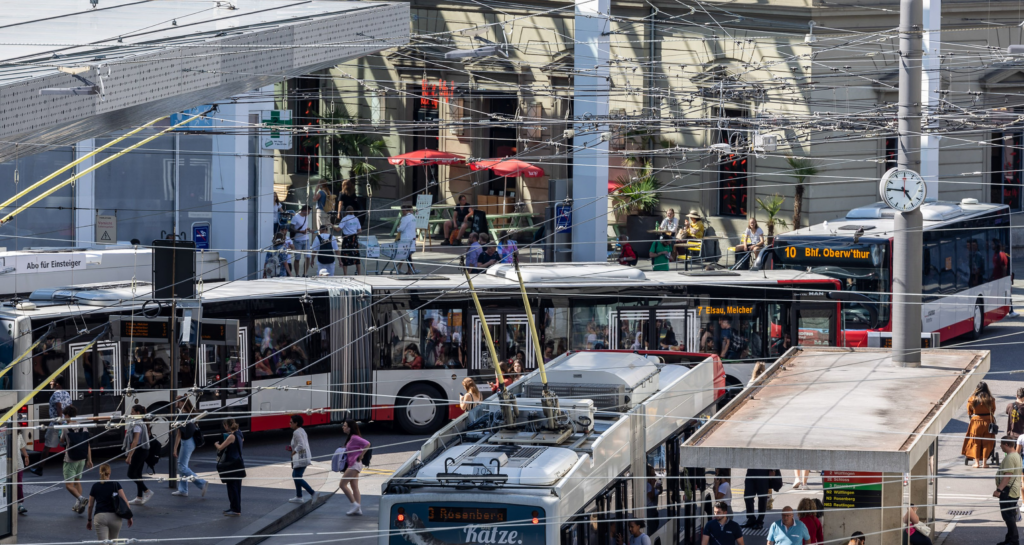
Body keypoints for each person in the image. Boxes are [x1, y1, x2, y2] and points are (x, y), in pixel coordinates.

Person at [31, 376, 70, 476]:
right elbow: (69, 408)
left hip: (56, 424)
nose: (50, 383)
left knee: (47, 447)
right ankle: (71, 468)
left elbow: (59, 408)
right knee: (68, 446)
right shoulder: (67, 393)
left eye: (52, 382)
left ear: (57, 384)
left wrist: (60, 423)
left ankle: (40, 469)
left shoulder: (56, 394)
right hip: (67, 423)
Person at [171, 398, 208, 498]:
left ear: (182, 403)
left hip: (187, 442)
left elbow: (179, 434)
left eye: (177, 401)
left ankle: (201, 483)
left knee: (181, 466)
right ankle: (183, 490)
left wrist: (175, 449)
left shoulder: (183, 415)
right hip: (190, 441)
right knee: (183, 466)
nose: (175, 403)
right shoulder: (189, 413)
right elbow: (181, 432)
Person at [86, 463, 133, 540]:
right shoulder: (116, 484)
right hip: (115, 517)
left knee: (103, 543)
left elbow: (90, 506)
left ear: (100, 472)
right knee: (114, 540)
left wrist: (89, 520)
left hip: (100, 516)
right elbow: (125, 502)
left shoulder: (95, 486)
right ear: (110, 472)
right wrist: (129, 516)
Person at [61, 405, 93, 513]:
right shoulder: (83, 427)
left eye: (64, 415)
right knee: (77, 481)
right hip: (82, 458)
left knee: (68, 485)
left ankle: (81, 499)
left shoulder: (66, 428)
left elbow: (62, 441)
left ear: (67, 415)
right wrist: (89, 460)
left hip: (70, 459)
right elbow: (87, 444)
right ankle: (78, 504)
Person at [338, 419, 370, 516]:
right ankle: (358, 508)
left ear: (350, 428)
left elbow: (367, 443)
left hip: (354, 464)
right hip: (355, 464)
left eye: (344, 425)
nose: (343, 427)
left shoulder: (355, 437)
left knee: (342, 485)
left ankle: (354, 504)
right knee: (354, 486)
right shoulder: (351, 437)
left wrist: (362, 455)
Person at [995, 437, 1023, 545]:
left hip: (1008, 491)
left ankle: (1013, 540)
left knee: (1009, 517)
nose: (1000, 446)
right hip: (1013, 490)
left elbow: (1008, 475)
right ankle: (1010, 538)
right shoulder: (1016, 455)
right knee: (1009, 516)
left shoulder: (1010, 457)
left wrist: (999, 490)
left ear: (1006, 444)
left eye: (1001, 444)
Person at [963, 380, 997, 468]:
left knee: (976, 442)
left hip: (975, 422)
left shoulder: (972, 399)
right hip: (988, 422)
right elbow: (993, 410)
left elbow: (969, 412)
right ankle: (985, 463)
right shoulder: (991, 399)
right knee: (987, 442)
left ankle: (976, 463)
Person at [215, 419, 245, 516]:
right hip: (238, 463)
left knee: (232, 487)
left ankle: (235, 510)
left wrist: (216, 444)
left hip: (231, 464)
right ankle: (235, 508)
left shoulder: (231, 436)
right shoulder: (239, 433)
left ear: (226, 425)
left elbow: (220, 447)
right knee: (237, 487)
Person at [123, 405, 152, 505]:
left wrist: (129, 456)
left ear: (138, 413)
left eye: (132, 412)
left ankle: (146, 491)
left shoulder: (137, 424)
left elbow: (135, 441)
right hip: (143, 451)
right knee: (138, 474)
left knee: (131, 474)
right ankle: (139, 498)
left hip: (139, 450)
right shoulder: (141, 423)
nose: (131, 414)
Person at [287, 414, 315, 503]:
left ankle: (313, 493)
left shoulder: (296, 432)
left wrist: (294, 452)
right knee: (295, 475)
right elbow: (301, 443)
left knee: (297, 477)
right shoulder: (301, 430)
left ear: (296, 423)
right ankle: (299, 496)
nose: (289, 423)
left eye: (291, 422)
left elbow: (301, 444)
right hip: (304, 457)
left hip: (300, 458)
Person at [337, 206, 362, 275]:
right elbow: (360, 231)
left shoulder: (345, 219)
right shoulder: (356, 219)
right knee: (356, 257)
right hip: (354, 239)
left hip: (347, 239)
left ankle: (345, 274)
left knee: (345, 256)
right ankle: (359, 273)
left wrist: (332, 226)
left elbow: (338, 229)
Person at [290, 205, 312, 276]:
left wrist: (309, 230)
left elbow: (305, 227)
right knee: (297, 258)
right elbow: (291, 229)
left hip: (306, 239)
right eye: (308, 211)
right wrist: (301, 232)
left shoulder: (306, 217)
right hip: (298, 240)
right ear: (304, 210)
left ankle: (305, 273)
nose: (309, 213)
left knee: (308, 257)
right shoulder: (296, 217)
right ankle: (297, 274)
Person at [397, 204, 418, 274]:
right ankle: (408, 269)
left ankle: (410, 270)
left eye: (402, 210)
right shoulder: (413, 217)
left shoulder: (405, 218)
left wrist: (398, 228)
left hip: (405, 239)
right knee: (407, 255)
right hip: (412, 238)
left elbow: (401, 229)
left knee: (406, 255)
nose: (402, 212)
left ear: (404, 210)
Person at [14, 430, 27, 515]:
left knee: (19, 485)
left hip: (18, 463)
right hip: (6, 463)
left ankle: (20, 504)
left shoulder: (18, 434)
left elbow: (21, 445)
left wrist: (26, 455)